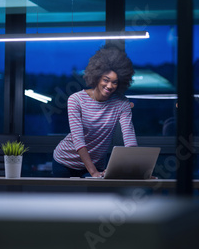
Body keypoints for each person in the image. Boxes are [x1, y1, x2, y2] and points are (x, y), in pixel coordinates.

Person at [52, 45, 137, 177]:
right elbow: (78, 139)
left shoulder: (122, 103)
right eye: (106, 80)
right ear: (97, 77)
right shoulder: (76, 99)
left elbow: (129, 138)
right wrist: (93, 172)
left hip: (97, 164)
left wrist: (139, 171)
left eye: (114, 82)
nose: (109, 86)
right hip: (66, 162)